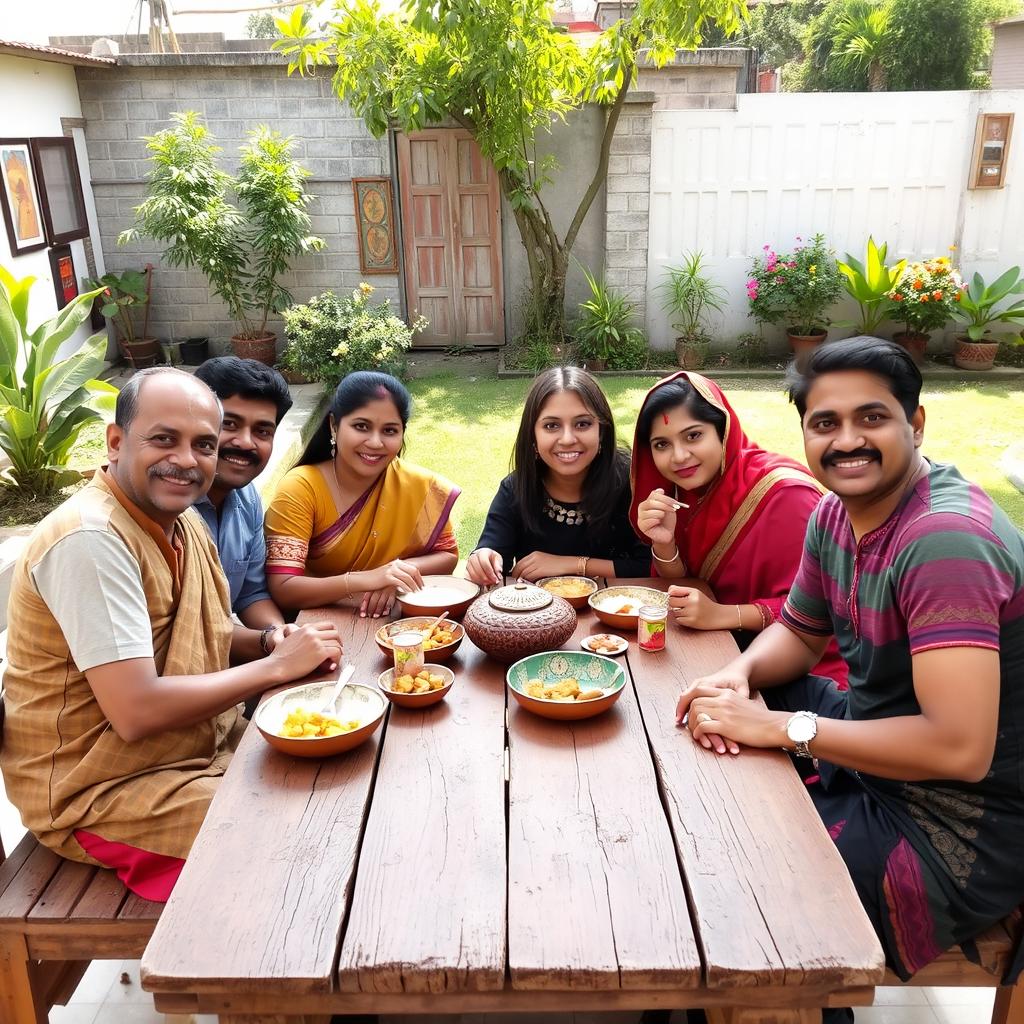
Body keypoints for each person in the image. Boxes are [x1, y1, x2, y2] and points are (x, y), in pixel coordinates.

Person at [676, 338, 1024, 992]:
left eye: (872, 418)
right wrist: (740, 676)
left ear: (915, 424)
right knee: (728, 718)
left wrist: (784, 729)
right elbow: (801, 634)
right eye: (825, 423)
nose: (847, 441)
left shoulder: (944, 541)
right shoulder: (837, 512)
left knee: (755, 894)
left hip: (956, 824)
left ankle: (784, 999)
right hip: (875, 739)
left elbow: (960, 749)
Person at [0, 367, 342, 902]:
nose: (187, 460)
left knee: (334, 777)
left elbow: (208, 629)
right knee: (297, 836)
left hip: (191, 752)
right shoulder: (92, 539)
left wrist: (272, 643)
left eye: (204, 444)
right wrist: (275, 669)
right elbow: (136, 710)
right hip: (100, 790)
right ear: (116, 442)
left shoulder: (179, 525)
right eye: (164, 439)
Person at [630, 371, 846, 686]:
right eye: (662, 444)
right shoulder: (686, 493)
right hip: (719, 650)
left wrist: (722, 615)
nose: (678, 456)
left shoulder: (785, 495)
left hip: (806, 673)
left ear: (724, 431)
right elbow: (687, 591)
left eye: (693, 436)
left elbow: (821, 610)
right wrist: (664, 546)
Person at [265, 371, 460, 618]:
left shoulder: (420, 486)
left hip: (397, 621)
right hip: (317, 624)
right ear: (333, 426)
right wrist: (366, 580)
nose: (376, 442)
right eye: (361, 426)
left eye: (389, 430)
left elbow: (447, 556)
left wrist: (396, 574)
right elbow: (283, 588)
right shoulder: (301, 488)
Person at [465, 366, 651, 586]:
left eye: (582, 424)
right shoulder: (516, 488)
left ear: (602, 431)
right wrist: (483, 559)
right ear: (533, 437)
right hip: (537, 617)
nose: (567, 438)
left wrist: (571, 564)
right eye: (551, 426)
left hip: (618, 612)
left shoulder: (630, 483)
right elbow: (494, 555)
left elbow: (650, 566)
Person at [192, 356, 292, 635]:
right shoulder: (169, 509)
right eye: (230, 424)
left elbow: (252, 594)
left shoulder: (247, 498)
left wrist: (278, 633)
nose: (246, 442)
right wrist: (269, 645)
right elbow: (189, 630)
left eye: (262, 431)